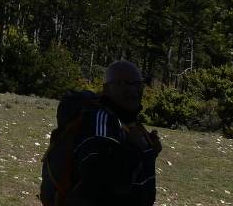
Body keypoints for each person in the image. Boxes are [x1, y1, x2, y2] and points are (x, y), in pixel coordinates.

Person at [66, 59, 162, 205]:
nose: (134, 90)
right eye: (124, 84)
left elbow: (130, 171)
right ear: (106, 89)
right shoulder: (100, 122)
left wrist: (150, 152)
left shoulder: (129, 121)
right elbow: (98, 183)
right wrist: (134, 148)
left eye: (138, 84)